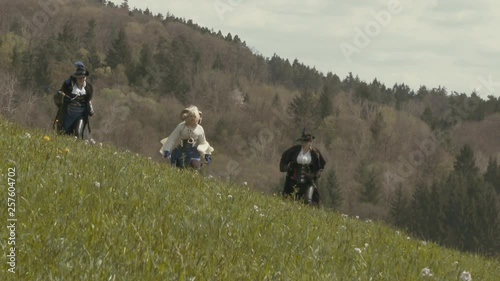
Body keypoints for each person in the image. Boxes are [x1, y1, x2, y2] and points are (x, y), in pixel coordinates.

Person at [159, 105, 214, 170]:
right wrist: (167, 150)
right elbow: (172, 138)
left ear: (198, 117)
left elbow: (203, 142)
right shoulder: (181, 126)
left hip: (193, 152)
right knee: (178, 167)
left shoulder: (200, 129)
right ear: (187, 116)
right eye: (191, 116)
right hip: (180, 151)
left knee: (195, 165)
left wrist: (206, 154)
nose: (192, 118)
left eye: (194, 117)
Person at [279, 130, 326, 205]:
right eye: (302, 142)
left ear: (310, 143)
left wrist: (313, 175)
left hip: (308, 182)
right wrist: (288, 168)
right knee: (289, 200)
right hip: (293, 180)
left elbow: (320, 168)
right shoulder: (294, 150)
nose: (303, 144)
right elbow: (284, 161)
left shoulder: (315, 153)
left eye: (305, 142)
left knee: (308, 201)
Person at [53, 61, 94, 137]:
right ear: (76, 77)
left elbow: (88, 99)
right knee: (64, 133)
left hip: (80, 114)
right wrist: (62, 99)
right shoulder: (67, 85)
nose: (82, 79)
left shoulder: (88, 88)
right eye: (80, 78)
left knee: (78, 132)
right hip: (68, 113)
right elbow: (59, 97)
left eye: (83, 77)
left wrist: (90, 108)